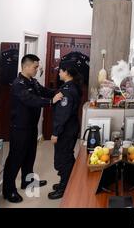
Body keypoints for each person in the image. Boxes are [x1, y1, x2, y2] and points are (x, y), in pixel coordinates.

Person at [3, 54, 63, 203]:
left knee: (30, 156)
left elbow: (44, 91)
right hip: (19, 128)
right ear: (26, 66)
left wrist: (61, 91)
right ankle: (9, 191)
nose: (37, 69)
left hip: (31, 127)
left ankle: (27, 181)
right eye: (35, 67)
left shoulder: (33, 82)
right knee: (15, 160)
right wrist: (51, 101)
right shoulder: (18, 84)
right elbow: (31, 100)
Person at [48, 61, 82, 199]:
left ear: (66, 72)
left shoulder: (67, 91)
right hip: (71, 128)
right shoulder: (72, 86)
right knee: (67, 156)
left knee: (63, 159)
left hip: (66, 130)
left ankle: (64, 187)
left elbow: (62, 115)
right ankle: (68, 181)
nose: (59, 73)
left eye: (60, 71)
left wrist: (55, 132)